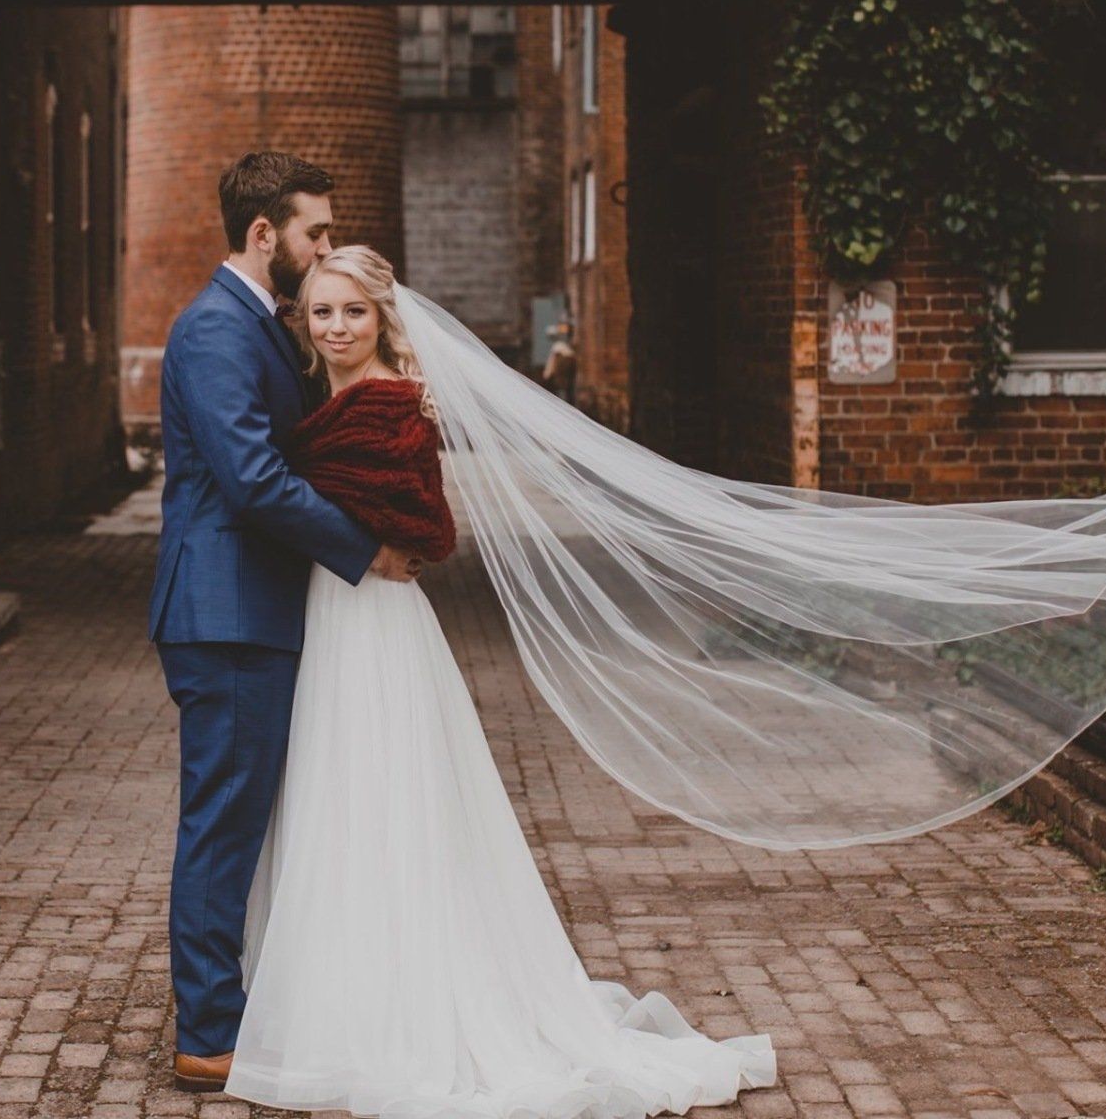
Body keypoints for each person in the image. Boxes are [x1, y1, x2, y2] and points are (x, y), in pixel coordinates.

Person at [223, 246, 779, 1116]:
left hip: (374, 621)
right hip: (327, 616)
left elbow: (419, 521)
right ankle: (343, 988)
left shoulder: (393, 406)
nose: (335, 328)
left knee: (384, 794)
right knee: (336, 795)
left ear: (383, 319)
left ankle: (403, 1008)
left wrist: (356, 532)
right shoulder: (318, 397)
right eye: (321, 313)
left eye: (353, 313)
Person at [148, 153, 421, 1093]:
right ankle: (208, 1032)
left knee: (246, 815)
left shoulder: (264, 325)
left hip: (254, 606)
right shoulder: (216, 332)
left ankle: (239, 1003)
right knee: (223, 821)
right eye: (316, 232)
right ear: (265, 236)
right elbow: (253, 478)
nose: (327, 247)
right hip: (226, 612)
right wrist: (365, 548)